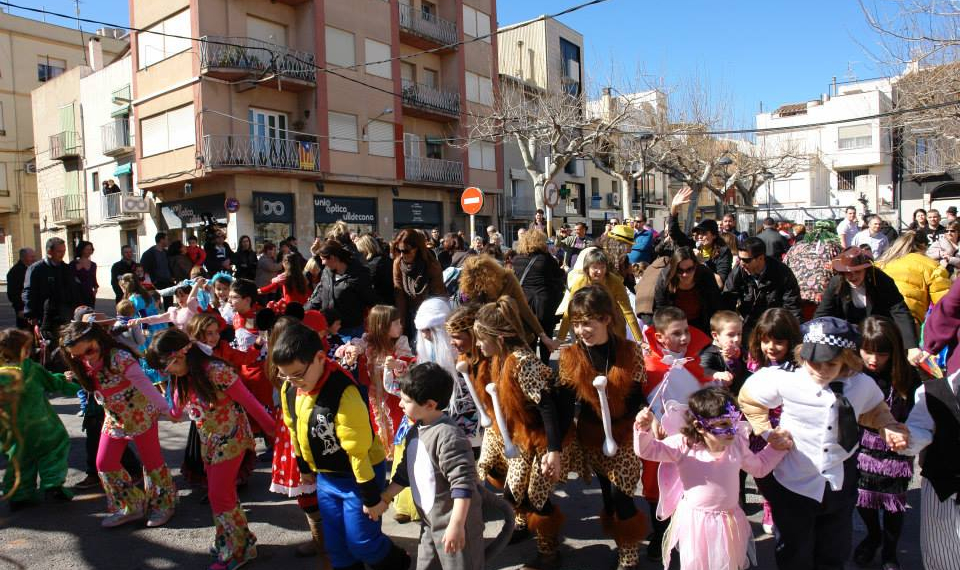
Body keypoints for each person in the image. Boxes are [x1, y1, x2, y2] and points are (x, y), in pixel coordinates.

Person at [739, 317, 910, 570]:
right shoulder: (785, 379)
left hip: (840, 484)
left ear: (847, 358)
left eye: (829, 363)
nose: (819, 369)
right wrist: (767, 433)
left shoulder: (861, 384)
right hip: (795, 484)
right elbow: (750, 400)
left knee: (833, 554)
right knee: (795, 555)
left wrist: (890, 428)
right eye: (812, 361)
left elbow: (875, 410)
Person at [274, 322, 411, 570]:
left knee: (363, 542)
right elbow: (295, 429)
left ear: (319, 358)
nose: (292, 382)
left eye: (297, 374)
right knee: (336, 547)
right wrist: (304, 467)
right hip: (327, 477)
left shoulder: (343, 391)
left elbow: (357, 451)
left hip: (360, 475)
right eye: (285, 375)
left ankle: (399, 563)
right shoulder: (291, 389)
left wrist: (371, 498)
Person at [146, 329, 274, 570]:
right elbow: (175, 413)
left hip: (231, 437)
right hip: (209, 440)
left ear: (180, 355)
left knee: (219, 495)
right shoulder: (182, 377)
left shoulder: (216, 371)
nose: (166, 372)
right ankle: (238, 542)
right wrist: (156, 397)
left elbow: (250, 403)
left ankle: (237, 552)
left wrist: (274, 432)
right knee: (222, 495)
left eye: (166, 366)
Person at [370, 362, 512, 570]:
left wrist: (456, 526)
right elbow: (404, 472)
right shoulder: (415, 429)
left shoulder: (448, 436)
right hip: (430, 523)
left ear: (429, 404)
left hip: (457, 525)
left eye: (406, 400)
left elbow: (463, 485)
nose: (400, 404)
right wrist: (386, 497)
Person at [633, 387, 792, 570]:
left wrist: (776, 448)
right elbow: (647, 450)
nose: (732, 430)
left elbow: (759, 467)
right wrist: (643, 427)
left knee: (728, 563)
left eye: (733, 421)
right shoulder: (683, 445)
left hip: (729, 521)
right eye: (723, 425)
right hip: (696, 522)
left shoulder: (737, 445)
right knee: (697, 564)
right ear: (700, 426)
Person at [473, 296, 574, 570]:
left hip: (544, 439)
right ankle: (523, 527)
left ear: (501, 338)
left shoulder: (522, 362)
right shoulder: (500, 357)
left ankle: (549, 553)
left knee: (536, 498)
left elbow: (547, 407)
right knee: (513, 491)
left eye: (482, 339)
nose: (479, 345)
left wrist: (553, 452)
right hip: (523, 436)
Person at [557, 287, 650, 569]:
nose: (581, 330)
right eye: (576, 323)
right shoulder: (570, 356)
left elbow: (637, 396)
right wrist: (554, 447)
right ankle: (617, 527)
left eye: (588, 322)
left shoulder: (628, 352)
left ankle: (629, 556)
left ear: (606, 319)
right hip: (591, 436)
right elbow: (561, 404)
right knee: (608, 497)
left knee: (623, 495)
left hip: (624, 434)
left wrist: (644, 418)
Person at [60, 319, 176, 528]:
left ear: (98, 340)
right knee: (104, 463)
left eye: (89, 351)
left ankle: (164, 504)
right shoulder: (83, 363)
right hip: (115, 418)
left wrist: (166, 409)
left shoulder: (119, 358)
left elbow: (145, 384)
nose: (85, 358)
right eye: (77, 356)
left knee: (152, 464)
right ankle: (131, 505)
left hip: (141, 415)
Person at [639, 305, 712, 559]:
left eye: (686, 332)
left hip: (691, 438)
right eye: (677, 333)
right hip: (661, 440)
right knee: (655, 484)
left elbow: (702, 391)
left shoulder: (692, 362)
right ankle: (660, 533)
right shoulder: (648, 365)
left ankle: (686, 534)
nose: (684, 338)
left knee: (689, 485)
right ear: (659, 336)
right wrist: (651, 420)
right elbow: (639, 397)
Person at [853, 316, 920, 570]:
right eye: (868, 351)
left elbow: (918, 410)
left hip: (896, 449)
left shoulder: (906, 375)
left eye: (881, 353)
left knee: (893, 504)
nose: (874, 359)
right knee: (864, 499)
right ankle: (873, 535)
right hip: (862, 447)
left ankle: (890, 553)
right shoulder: (854, 374)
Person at [902, 278, 960, 570]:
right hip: (945, 492)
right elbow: (918, 431)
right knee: (944, 560)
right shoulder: (937, 394)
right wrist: (904, 439)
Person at [0, 328, 83, 510]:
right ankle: (53, 484)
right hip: (42, 424)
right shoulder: (32, 369)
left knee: (19, 458)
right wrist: (68, 381)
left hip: (12, 429)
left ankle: (19, 493)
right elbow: (54, 383)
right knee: (54, 448)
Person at [745, 307, 803, 534]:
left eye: (778, 341)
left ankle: (783, 504)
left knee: (785, 472)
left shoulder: (798, 367)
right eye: (765, 341)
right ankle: (769, 502)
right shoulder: (756, 363)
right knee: (763, 472)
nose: (771, 348)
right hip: (761, 427)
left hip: (787, 425)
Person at [814, 247, 921, 362]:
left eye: (858, 271)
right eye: (848, 273)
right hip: (849, 336)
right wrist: (814, 336)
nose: (853, 276)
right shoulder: (836, 283)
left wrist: (911, 346)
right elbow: (823, 313)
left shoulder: (881, 280)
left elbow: (899, 310)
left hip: (878, 334)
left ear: (866, 270)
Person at [458, 255, 560, 354]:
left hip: (511, 336)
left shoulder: (508, 279)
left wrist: (543, 336)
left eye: (480, 282)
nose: (479, 287)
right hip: (487, 340)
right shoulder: (474, 289)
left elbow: (524, 309)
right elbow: (471, 315)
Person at [723, 237, 802, 344]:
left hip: (774, 324)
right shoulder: (737, 273)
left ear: (760, 258)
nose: (741, 263)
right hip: (749, 324)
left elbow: (792, 305)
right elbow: (727, 301)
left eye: (746, 260)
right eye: (739, 258)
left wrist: (794, 334)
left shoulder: (782, 273)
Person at [360, 305, 414, 460]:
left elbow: (409, 362)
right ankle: (384, 455)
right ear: (382, 326)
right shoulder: (368, 342)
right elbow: (354, 346)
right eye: (396, 323)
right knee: (378, 425)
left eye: (399, 322)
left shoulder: (400, 342)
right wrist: (350, 350)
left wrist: (397, 365)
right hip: (374, 397)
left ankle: (400, 455)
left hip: (395, 397)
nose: (400, 326)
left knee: (397, 423)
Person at [556, 248, 643, 342]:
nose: (600, 271)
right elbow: (569, 312)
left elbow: (627, 311)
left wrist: (639, 339)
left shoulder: (615, 282)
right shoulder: (579, 283)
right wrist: (559, 339)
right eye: (595, 267)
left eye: (602, 267)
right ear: (587, 268)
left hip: (613, 328)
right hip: (588, 329)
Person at [510, 229, 566, 363]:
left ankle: (532, 366)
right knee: (546, 335)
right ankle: (545, 366)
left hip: (524, 302)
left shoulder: (517, 259)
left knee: (530, 337)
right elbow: (559, 277)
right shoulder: (546, 259)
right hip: (544, 301)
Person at [875, 230, 951, 326]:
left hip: (879, 321)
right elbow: (945, 304)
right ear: (923, 246)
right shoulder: (931, 266)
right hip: (909, 322)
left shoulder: (881, 263)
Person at [307, 239, 377, 339]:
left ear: (333, 258)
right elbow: (318, 297)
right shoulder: (327, 272)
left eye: (323, 259)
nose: (322, 263)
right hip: (328, 330)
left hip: (350, 331)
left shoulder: (358, 275)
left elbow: (371, 300)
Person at [23, 237, 80, 348]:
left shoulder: (66, 268)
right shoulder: (36, 269)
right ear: (49, 251)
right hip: (44, 317)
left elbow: (73, 290)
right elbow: (28, 292)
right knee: (48, 346)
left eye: (64, 251)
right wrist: (31, 314)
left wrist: (76, 308)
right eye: (59, 251)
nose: (62, 254)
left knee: (66, 345)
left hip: (64, 314)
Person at [653, 246, 724, 335]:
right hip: (674, 327)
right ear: (674, 269)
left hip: (702, 325)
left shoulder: (706, 276)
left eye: (690, 269)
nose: (685, 274)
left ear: (696, 266)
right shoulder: (665, 279)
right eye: (680, 270)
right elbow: (661, 310)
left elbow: (715, 306)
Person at [699, 311, 747, 395]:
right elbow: (701, 370)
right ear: (715, 335)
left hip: (740, 394)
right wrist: (716, 374)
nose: (736, 339)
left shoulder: (740, 349)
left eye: (739, 334)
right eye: (731, 335)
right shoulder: (710, 353)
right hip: (720, 398)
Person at [355, 234, 394, 306]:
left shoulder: (372, 266)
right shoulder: (387, 259)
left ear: (365, 250)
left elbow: (368, 290)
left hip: (381, 306)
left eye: (360, 252)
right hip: (391, 302)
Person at [691, 218, 733, 283]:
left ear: (714, 235)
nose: (700, 236)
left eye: (704, 233)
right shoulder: (695, 249)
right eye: (698, 233)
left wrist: (702, 262)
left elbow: (720, 282)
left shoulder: (723, 252)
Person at [7, 248, 35, 329]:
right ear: (23, 257)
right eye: (31, 257)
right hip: (23, 310)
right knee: (25, 334)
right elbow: (13, 293)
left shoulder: (33, 268)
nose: (34, 259)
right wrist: (19, 308)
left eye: (34, 256)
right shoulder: (15, 272)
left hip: (34, 308)